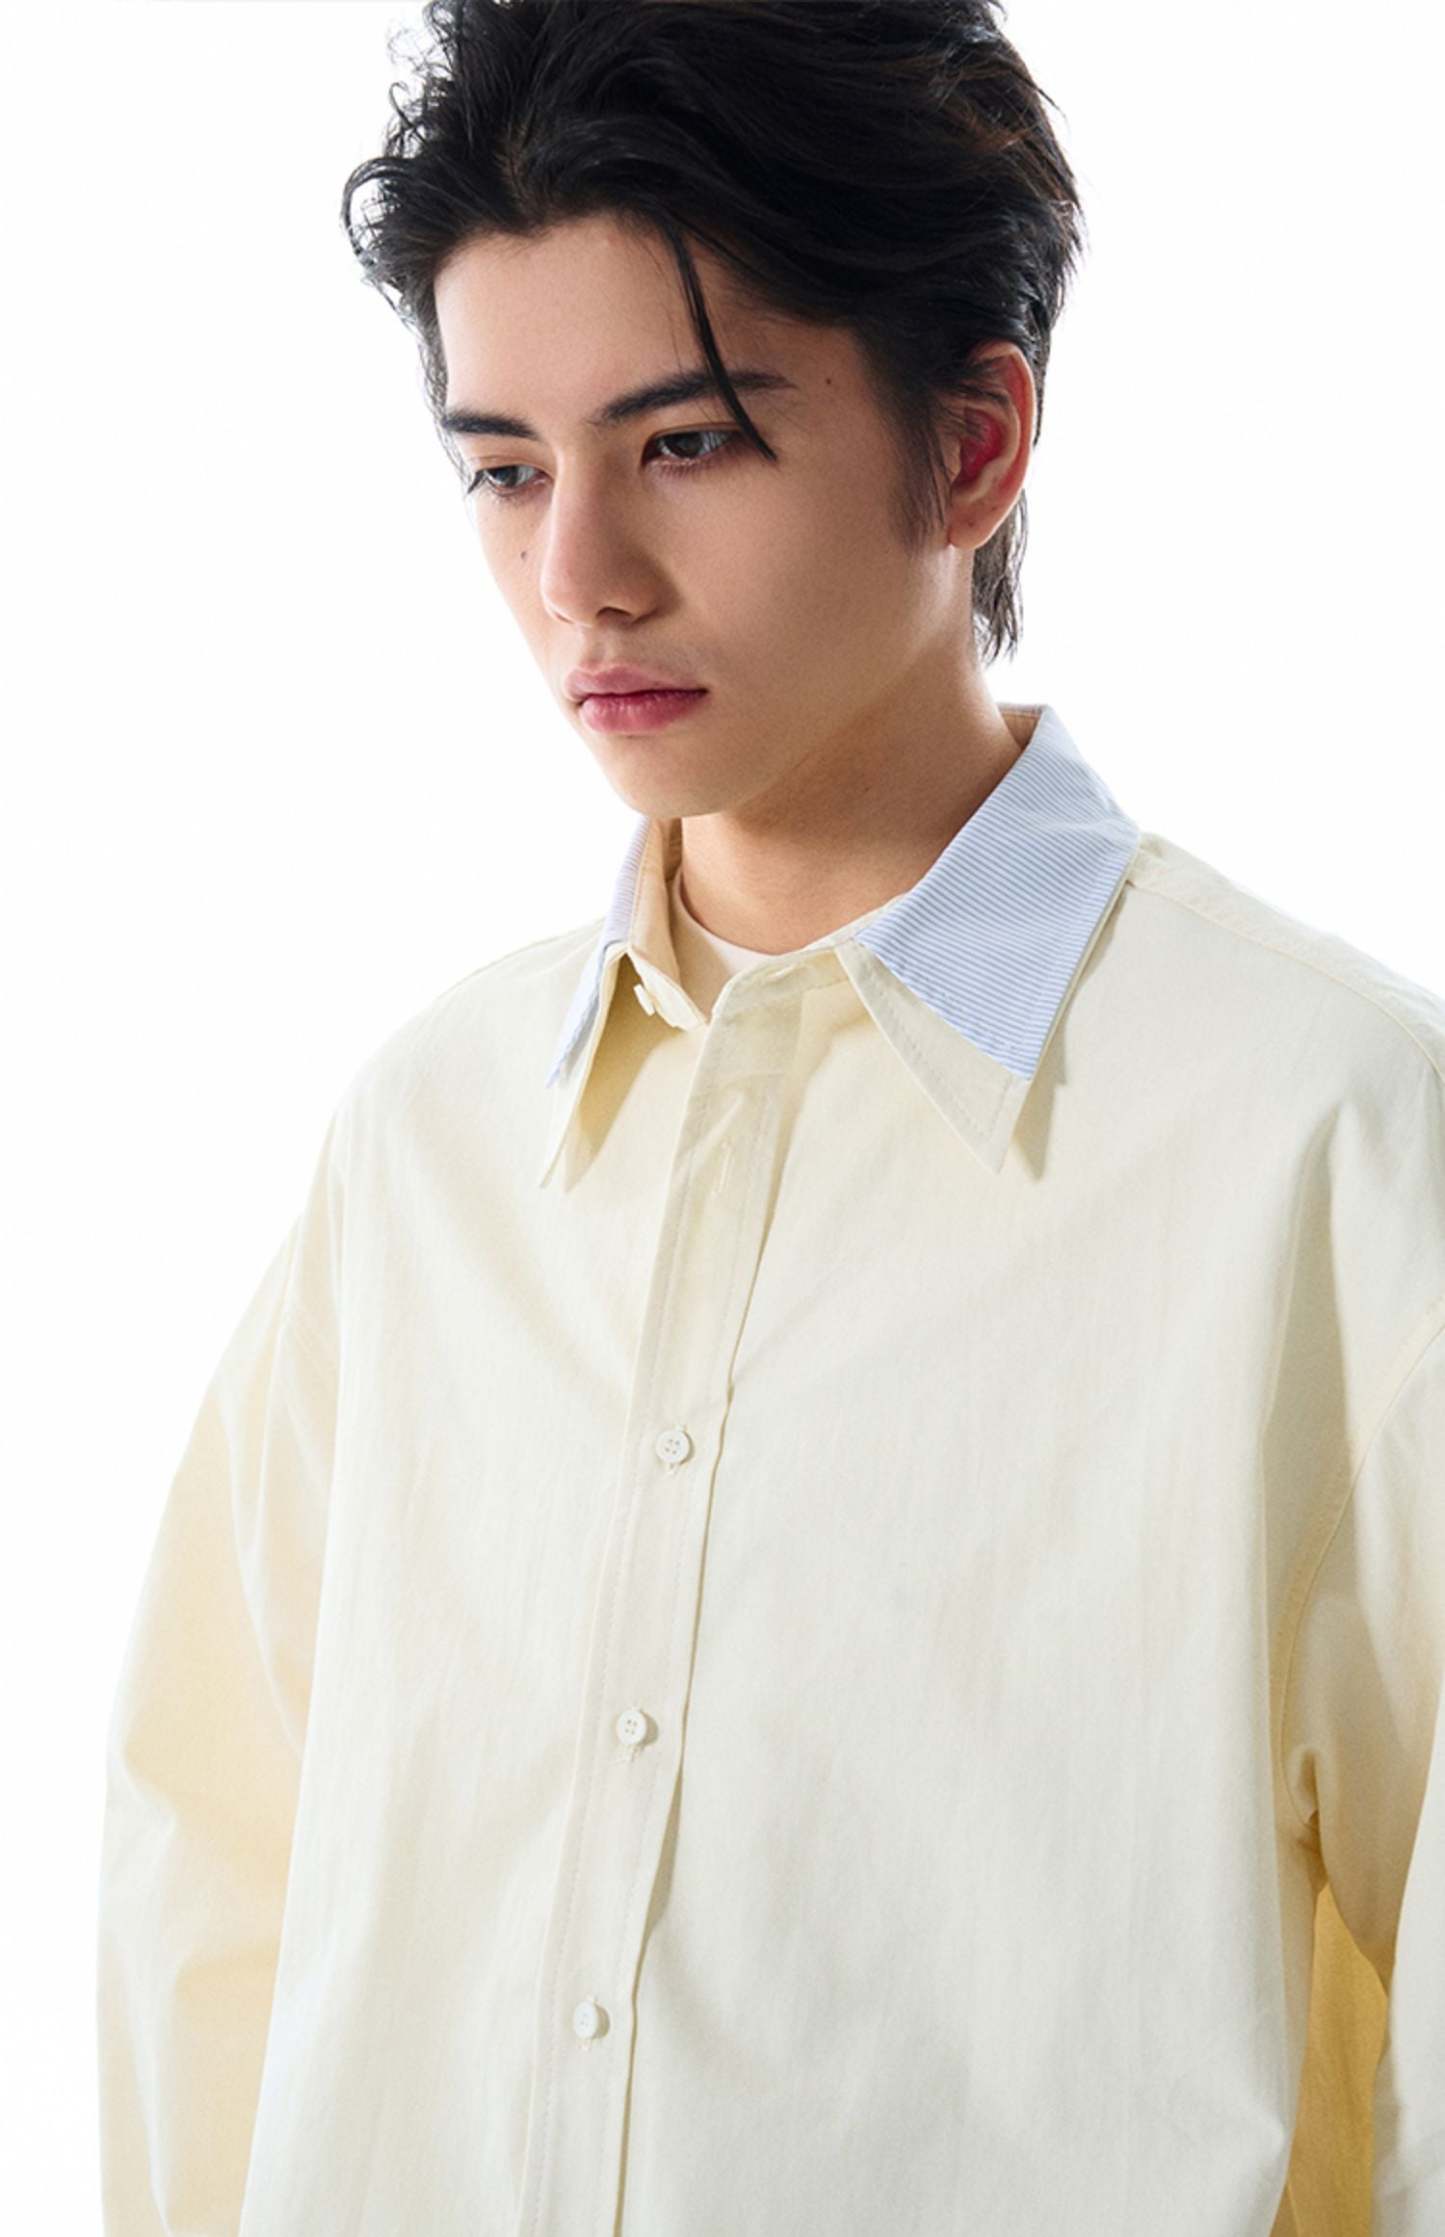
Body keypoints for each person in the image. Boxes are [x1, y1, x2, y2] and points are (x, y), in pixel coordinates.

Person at [95, 3, 1444, 2232]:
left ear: (973, 445)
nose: (578, 575)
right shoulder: (428, 1150)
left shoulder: (1338, 1150)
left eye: (687, 442)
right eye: (504, 467)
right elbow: (209, 1896)